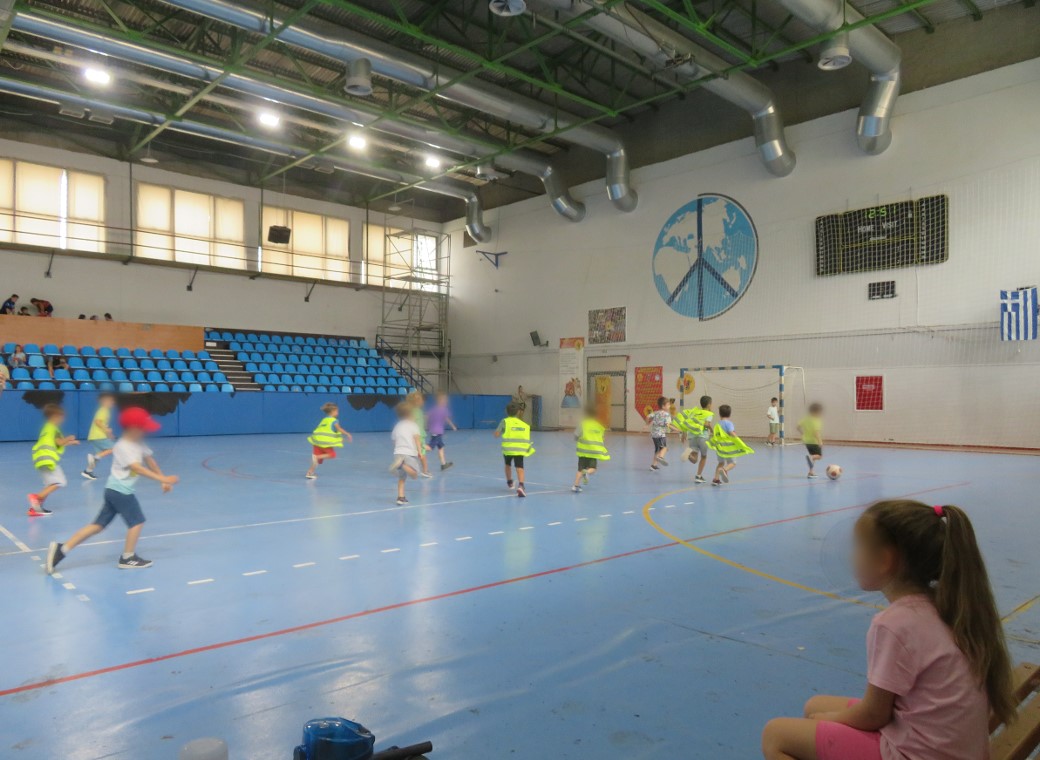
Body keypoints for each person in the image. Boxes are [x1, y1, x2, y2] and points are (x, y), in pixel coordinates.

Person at [760, 500, 1013, 760]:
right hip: (954, 748)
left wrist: (831, 719)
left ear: (883, 560)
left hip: (918, 754)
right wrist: (828, 716)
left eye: (859, 546)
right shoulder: (942, 605)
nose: (852, 556)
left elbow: (874, 714)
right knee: (814, 705)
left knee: (775, 735)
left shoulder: (893, 624)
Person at [46, 407, 178, 572]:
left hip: (113, 491)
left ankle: (62, 550)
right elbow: (137, 468)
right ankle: (128, 557)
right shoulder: (122, 446)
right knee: (137, 522)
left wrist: (162, 478)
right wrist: (163, 479)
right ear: (133, 428)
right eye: (143, 427)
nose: (145, 431)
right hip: (121, 491)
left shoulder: (138, 443)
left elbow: (149, 460)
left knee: (98, 525)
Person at [28, 403, 79, 516]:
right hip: (48, 459)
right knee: (60, 481)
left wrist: (71, 443)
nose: (62, 420)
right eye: (61, 417)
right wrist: (69, 438)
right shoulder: (54, 429)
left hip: (40, 459)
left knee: (49, 484)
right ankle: (36, 497)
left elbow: (55, 443)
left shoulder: (46, 428)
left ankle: (35, 508)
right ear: (55, 416)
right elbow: (60, 442)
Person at [494, 401, 534, 497]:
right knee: (519, 467)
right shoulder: (523, 424)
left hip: (508, 449)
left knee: (507, 465)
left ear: (506, 411)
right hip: (519, 449)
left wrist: (500, 432)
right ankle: (521, 485)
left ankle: (509, 482)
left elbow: (496, 434)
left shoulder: (504, 421)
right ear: (518, 412)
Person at [708, 404, 754, 486]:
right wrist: (737, 438)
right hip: (729, 448)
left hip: (720, 448)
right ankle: (724, 470)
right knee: (733, 463)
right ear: (729, 414)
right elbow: (731, 432)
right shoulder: (729, 424)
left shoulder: (717, 424)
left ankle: (716, 479)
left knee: (720, 463)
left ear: (720, 414)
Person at [305, 402, 352, 479]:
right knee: (332, 455)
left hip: (316, 442)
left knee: (316, 460)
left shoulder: (324, 420)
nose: (338, 413)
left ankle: (310, 472)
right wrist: (347, 434)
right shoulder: (334, 421)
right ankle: (317, 457)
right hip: (325, 443)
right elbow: (339, 429)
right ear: (333, 411)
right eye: (337, 411)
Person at [389, 401, 422, 506]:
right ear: (410, 414)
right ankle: (401, 465)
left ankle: (400, 498)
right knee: (415, 474)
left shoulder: (397, 426)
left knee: (402, 478)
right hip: (409, 453)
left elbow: (394, 441)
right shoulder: (413, 425)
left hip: (398, 453)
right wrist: (420, 451)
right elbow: (417, 439)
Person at [676, 395, 714, 484]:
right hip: (703, 437)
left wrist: (684, 432)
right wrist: (712, 431)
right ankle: (698, 476)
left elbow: (688, 422)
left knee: (694, 459)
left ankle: (689, 455)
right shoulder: (709, 414)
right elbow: (707, 424)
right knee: (704, 457)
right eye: (711, 403)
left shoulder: (695, 412)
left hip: (692, 436)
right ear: (709, 404)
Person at [572, 406, 609, 493]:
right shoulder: (599, 426)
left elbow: (576, 435)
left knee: (580, 469)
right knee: (593, 468)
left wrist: (577, 439)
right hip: (593, 452)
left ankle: (575, 486)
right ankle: (587, 472)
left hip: (583, 452)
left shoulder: (583, 424)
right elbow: (602, 438)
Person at [82, 393, 117, 480]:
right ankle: (94, 458)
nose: (112, 402)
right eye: (110, 401)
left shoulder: (105, 411)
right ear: (104, 402)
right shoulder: (103, 410)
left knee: (99, 454)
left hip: (96, 436)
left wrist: (110, 435)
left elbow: (102, 424)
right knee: (113, 448)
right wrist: (106, 429)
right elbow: (97, 422)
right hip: (99, 436)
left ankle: (88, 471)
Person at [426, 392, 458, 471]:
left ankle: (443, 464)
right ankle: (416, 448)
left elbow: (427, 417)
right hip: (437, 432)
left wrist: (429, 426)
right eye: (444, 400)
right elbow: (447, 419)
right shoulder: (444, 410)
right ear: (440, 401)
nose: (446, 401)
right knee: (430, 447)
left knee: (441, 447)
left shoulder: (433, 409)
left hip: (436, 432)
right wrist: (453, 426)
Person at [408, 391, 433, 478]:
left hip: (418, 435)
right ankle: (425, 471)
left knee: (415, 452)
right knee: (422, 454)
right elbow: (411, 422)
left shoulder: (415, 411)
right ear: (417, 401)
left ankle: (406, 466)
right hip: (419, 436)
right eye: (421, 400)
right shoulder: (416, 411)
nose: (423, 401)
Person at [799, 403, 824, 479]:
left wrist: (803, 434)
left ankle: (810, 472)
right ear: (816, 412)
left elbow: (798, 427)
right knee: (819, 456)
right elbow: (816, 432)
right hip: (814, 441)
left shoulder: (806, 419)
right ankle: (810, 458)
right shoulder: (816, 420)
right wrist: (820, 441)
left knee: (813, 457)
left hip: (807, 442)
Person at [647, 396, 672, 471]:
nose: (669, 406)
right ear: (663, 406)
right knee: (664, 448)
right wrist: (678, 429)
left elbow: (648, 417)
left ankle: (653, 465)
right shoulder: (667, 415)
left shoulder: (655, 413)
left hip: (654, 434)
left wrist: (646, 424)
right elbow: (668, 425)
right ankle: (661, 457)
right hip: (661, 435)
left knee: (657, 450)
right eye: (668, 405)